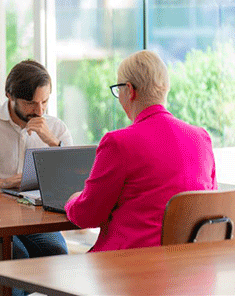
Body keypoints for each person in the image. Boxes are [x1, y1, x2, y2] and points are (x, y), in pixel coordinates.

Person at [65, 50, 217, 253]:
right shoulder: (201, 139)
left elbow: (87, 216)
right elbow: (209, 205)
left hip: (128, 269)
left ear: (130, 90)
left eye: (118, 90)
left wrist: (72, 201)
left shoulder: (118, 143)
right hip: (187, 268)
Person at [0, 60, 72, 295]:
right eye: (31, 103)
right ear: (9, 95)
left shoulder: (56, 129)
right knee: (16, 257)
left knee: (57, 253)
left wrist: (52, 142)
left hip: (35, 219)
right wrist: (4, 183)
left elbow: (72, 183)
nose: (40, 111)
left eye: (45, 102)